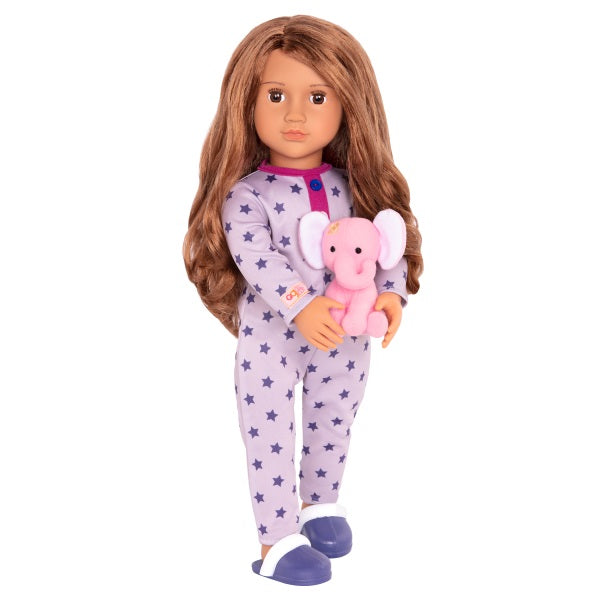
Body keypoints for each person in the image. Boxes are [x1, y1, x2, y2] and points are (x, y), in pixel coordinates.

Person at [183, 15, 423, 585]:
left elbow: (382, 246)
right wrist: (300, 304)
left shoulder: (353, 186)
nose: (295, 115)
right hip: (271, 338)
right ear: (246, 102)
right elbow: (256, 259)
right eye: (276, 95)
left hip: (347, 333)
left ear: (348, 104)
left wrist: (391, 297)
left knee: (334, 416)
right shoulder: (247, 196)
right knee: (269, 433)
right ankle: (276, 539)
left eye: (317, 97)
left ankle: (320, 504)